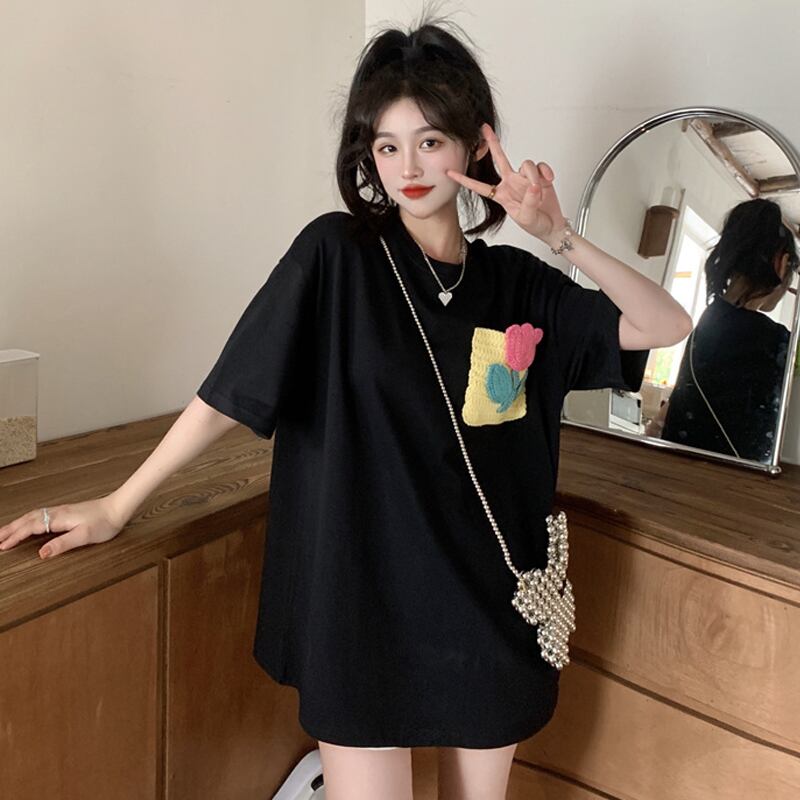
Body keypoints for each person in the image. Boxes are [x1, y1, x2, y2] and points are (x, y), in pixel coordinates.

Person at [0, 8, 692, 800]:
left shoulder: (519, 285)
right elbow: (232, 388)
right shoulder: (336, 257)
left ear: (475, 144)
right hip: (365, 602)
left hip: (490, 606)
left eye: (430, 141)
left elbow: (664, 326)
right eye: (387, 146)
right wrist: (118, 504)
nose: (409, 167)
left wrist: (559, 235)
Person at [660, 198, 798, 462]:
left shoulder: (708, 321)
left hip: (675, 469)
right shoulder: (776, 342)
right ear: (781, 262)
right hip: (731, 482)